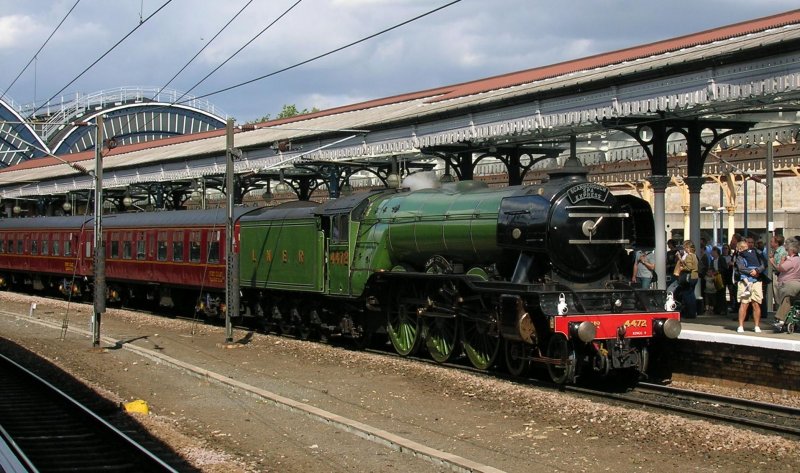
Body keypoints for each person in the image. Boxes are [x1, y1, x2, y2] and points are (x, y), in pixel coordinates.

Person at [735, 239, 765, 333]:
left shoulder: (757, 254)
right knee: (744, 303)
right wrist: (753, 272)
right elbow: (740, 267)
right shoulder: (740, 257)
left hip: (756, 281)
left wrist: (757, 271)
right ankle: (740, 326)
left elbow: (763, 264)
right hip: (745, 282)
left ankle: (756, 326)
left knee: (756, 303)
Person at [773, 238, 800, 330]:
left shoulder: (791, 260)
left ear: (791, 250)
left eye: (787, 250)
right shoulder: (798, 259)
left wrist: (781, 260)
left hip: (789, 284)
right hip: (796, 284)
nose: (787, 252)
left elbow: (781, 268)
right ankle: (783, 320)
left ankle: (780, 320)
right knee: (788, 300)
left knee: (785, 299)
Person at [674, 240, 699, 319]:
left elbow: (689, 267)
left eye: (685, 247)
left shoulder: (689, 256)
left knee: (687, 295)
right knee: (691, 295)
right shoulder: (694, 256)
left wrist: (681, 267)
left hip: (688, 278)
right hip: (694, 277)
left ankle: (689, 313)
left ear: (688, 248)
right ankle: (693, 312)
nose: (684, 249)